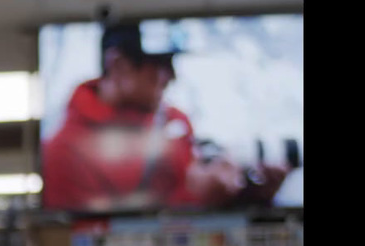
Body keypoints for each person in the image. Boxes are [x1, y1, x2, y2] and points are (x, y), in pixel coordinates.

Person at [41, 23, 288, 212]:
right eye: (160, 64)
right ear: (118, 65)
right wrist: (196, 198)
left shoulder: (174, 119)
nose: (171, 77)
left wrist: (250, 195)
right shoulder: (62, 153)